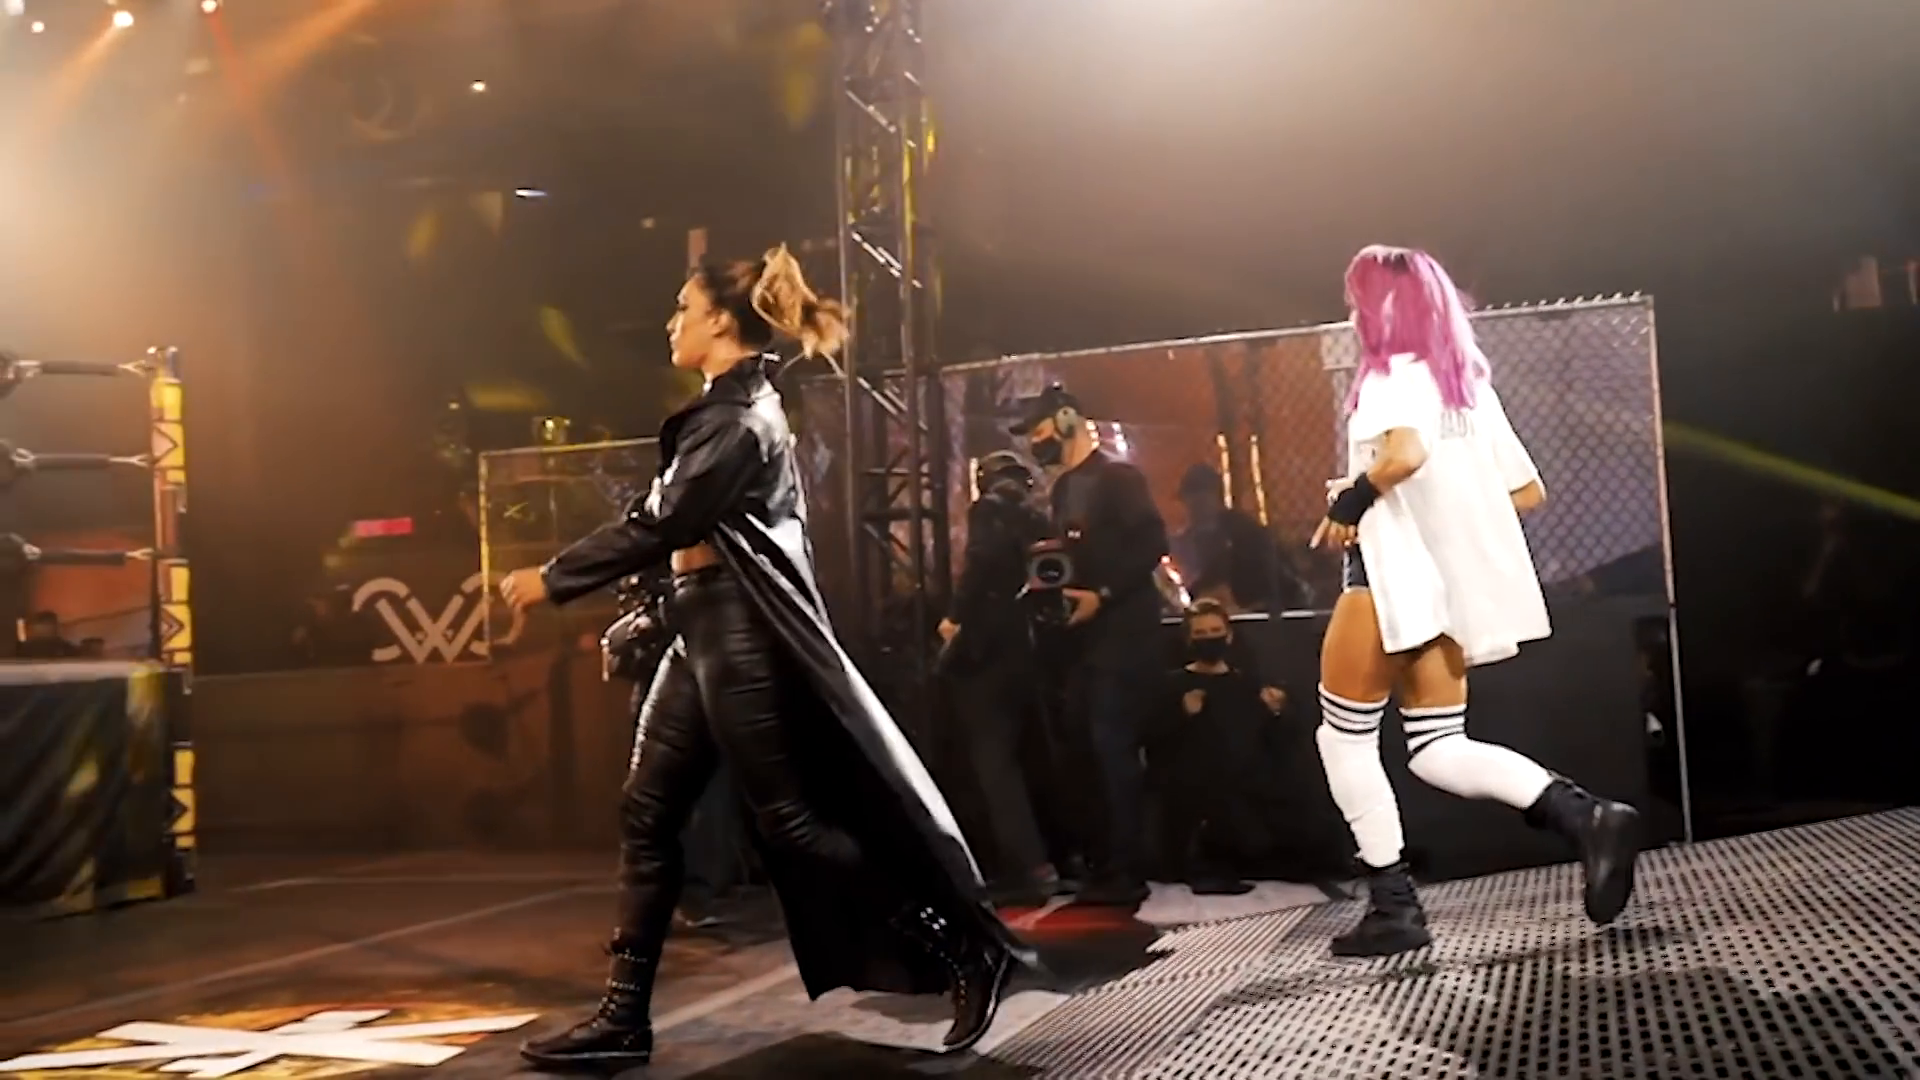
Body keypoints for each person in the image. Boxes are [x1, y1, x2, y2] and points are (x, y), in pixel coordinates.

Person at [499, 246, 1028, 1069]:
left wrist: (553, 578)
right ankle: (623, 1017)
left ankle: (964, 943)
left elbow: (665, 522)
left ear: (720, 320)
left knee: (792, 824)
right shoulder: (726, 411)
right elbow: (680, 530)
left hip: (739, 632)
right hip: (701, 626)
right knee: (648, 813)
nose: (671, 322)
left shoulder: (744, 419)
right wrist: (651, 607)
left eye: (684, 307)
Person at [1308, 245, 1640, 957]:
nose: (1352, 312)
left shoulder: (1388, 375)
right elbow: (1525, 490)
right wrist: (1434, 508)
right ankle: (1584, 815)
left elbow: (1405, 453)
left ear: (1378, 306)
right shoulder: (1465, 387)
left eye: (1356, 299)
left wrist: (1354, 499)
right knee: (1436, 748)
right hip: (1444, 587)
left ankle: (1393, 907)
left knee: (1343, 738)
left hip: (1386, 578)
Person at [1011, 384, 1170, 908]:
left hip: (1123, 640)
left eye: (1038, 429)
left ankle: (1127, 870)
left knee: (1112, 748)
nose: (1035, 441)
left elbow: (1152, 543)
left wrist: (1102, 594)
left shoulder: (1118, 478)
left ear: (1066, 419)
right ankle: (1102, 861)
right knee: (1084, 751)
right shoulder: (1063, 489)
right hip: (1081, 643)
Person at [938, 451, 1064, 905]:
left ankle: (1027, 867)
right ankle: (1059, 859)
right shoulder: (1038, 518)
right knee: (1034, 756)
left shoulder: (989, 510)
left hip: (988, 650)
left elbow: (981, 562)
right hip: (1029, 650)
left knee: (994, 764)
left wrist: (955, 617)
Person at [1148, 599, 1289, 895]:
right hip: (1193, 788)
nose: (1209, 638)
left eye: (1215, 631)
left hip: (1246, 787)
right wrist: (1181, 714)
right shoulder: (1172, 684)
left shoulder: (1247, 683)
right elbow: (1152, 740)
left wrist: (1276, 711)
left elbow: (1274, 741)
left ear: (1229, 635)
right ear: (1189, 639)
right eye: (1200, 633)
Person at [1173, 464, 1305, 613]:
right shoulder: (1182, 540)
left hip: (1255, 606)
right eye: (1191, 499)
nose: (1197, 506)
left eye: (1203, 497)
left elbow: (1230, 567)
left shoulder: (1241, 530)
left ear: (1216, 497)